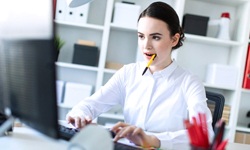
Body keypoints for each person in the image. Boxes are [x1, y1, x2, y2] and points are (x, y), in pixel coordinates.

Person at [66, 1, 214, 149]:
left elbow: (205, 134)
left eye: (155, 37)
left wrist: (153, 140)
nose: (146, 45)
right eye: (141, 36)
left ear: (174, 39)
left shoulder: (189, 82)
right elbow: (90, 105)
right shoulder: (128, 73)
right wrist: (80, 116)